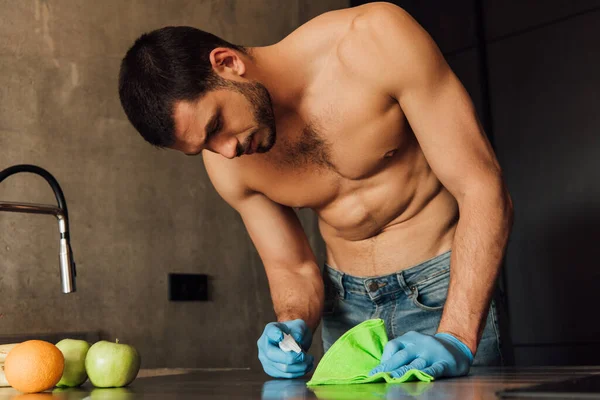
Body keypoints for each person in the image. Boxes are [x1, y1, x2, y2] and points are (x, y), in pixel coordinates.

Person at [118, 2, 513, 380]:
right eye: (203, 147)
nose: (225, 150)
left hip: (443, 292)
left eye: (215, 126)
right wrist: (291, 322)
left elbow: (481, 187)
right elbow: (292, 267)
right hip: (344, 310)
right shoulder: (226, 162)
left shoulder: (375, 38)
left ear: (227, 63)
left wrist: (457, 336)